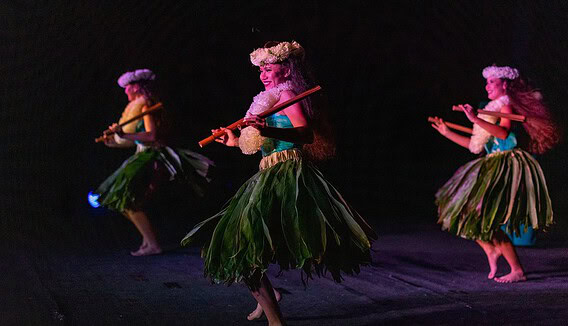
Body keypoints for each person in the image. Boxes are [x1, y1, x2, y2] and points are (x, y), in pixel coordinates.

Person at [182, 41, 376, 325]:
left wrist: (266, 127)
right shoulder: (267, 97)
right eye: (260, 69)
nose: (262, 73)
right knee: (240, 247)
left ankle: (276, 321)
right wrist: (234, 140)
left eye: (268, 68)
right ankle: (270, 299)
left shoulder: (288, 93)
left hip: (288, 173)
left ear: (285, 70)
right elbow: (265, 142)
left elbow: (305, 135)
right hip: (267, 171)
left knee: (243, 249)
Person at [430, 65, 559, 283]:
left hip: (505, 165)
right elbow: (476, 146)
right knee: (466, 213)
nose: (487, 86)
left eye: (492, 82)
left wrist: (475, 119)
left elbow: (503, 133)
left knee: (485, 216)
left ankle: (516, 269)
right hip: (489, 163)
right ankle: (492, 250)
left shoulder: (505, 107)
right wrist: (447, 132)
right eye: (487, 82)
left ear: (504, 84)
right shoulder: (489, 109)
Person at [95, 69, 213, 256]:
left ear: (136, 87)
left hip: (152, 156)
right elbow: (135, 139)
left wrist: (123, 134)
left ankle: (152, 244)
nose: (126, 92)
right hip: (142, 154)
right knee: (126, 202)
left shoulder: (146, 106)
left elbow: (151, 135)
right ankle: (148, 242)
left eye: (128, 88)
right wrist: (115, 141)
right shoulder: (138, 107)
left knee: (129, 201)